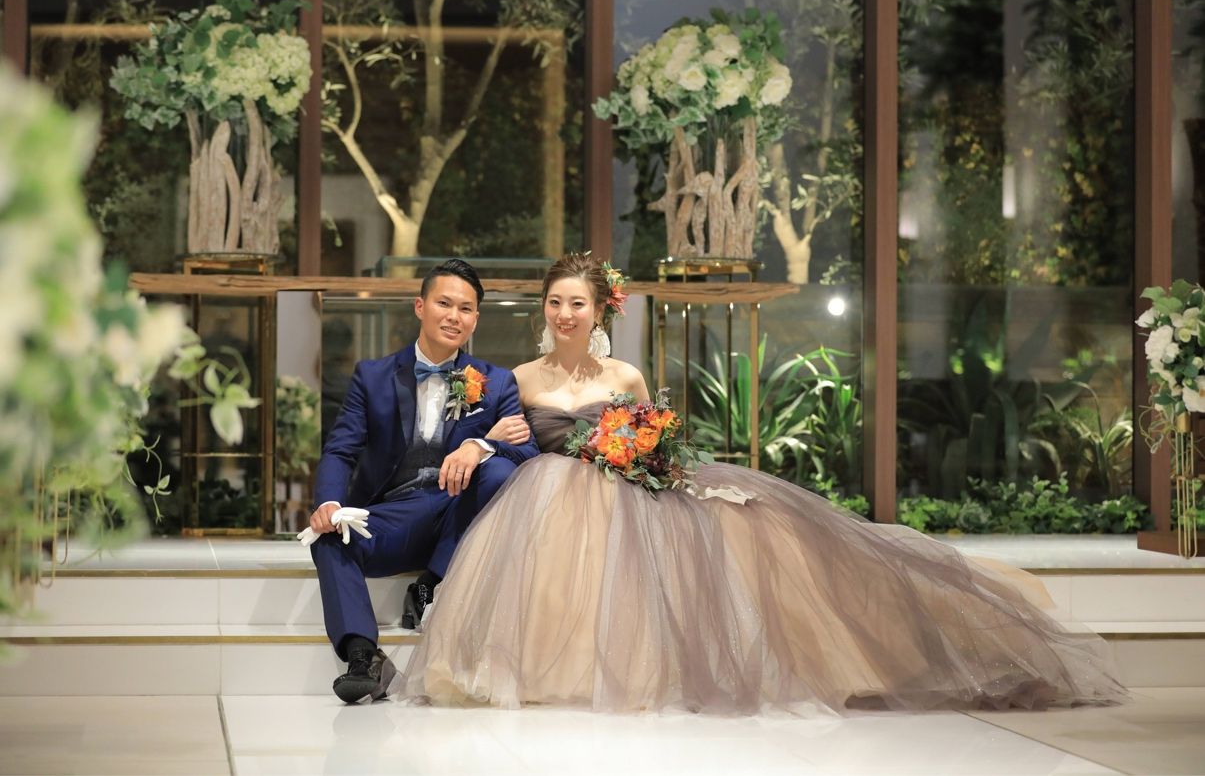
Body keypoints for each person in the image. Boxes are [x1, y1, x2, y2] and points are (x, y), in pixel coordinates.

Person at [396, 252, 1127, 715]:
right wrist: (493, 436)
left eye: (577, 303)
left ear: (600, 310)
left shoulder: (625, 375)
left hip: (628, 490)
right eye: (555, 302)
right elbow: (498, 432)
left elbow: (655, 437)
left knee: (762, 528)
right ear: (543, 310)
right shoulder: (517, 378)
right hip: (553, 497)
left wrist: (654, 462)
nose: (565, 314)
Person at [310, 259, 539, 704]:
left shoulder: (496, 382)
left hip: (459, 518)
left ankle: (432, 582)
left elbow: (528, 453)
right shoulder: (373, 376)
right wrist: (330, 503)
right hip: (395, 515)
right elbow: (340, 450)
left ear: (476, 319)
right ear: (420, 306)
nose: (454, 317)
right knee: (329, 538)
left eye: (466, 309)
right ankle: (363, 657)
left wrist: (479, 445)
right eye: (444, 304)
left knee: (497, 470)